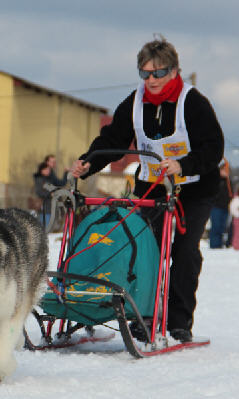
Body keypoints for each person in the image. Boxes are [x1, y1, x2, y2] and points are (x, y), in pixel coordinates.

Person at [70, 36, 224, 343]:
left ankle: (178, 320)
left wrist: (185, 165)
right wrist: (89, 162)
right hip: (152, 187)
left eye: (157, 73)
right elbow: (113, 139)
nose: (150, 80)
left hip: (193, 189)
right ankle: (145, 316)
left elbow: (214, 147)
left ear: (173, 71)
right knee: (145, 249)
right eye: (144, 73)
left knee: (183, 251)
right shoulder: (136, 102)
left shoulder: (192, 102)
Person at [209, 158, 233, 248]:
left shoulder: (228, 182)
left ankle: (220, 243)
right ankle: (215, 245)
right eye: (224, 170)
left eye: (227, 171)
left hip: (225, 207)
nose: (226, 172)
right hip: (216, 207)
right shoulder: (216, 180)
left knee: (223, 227)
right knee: (216, 226)